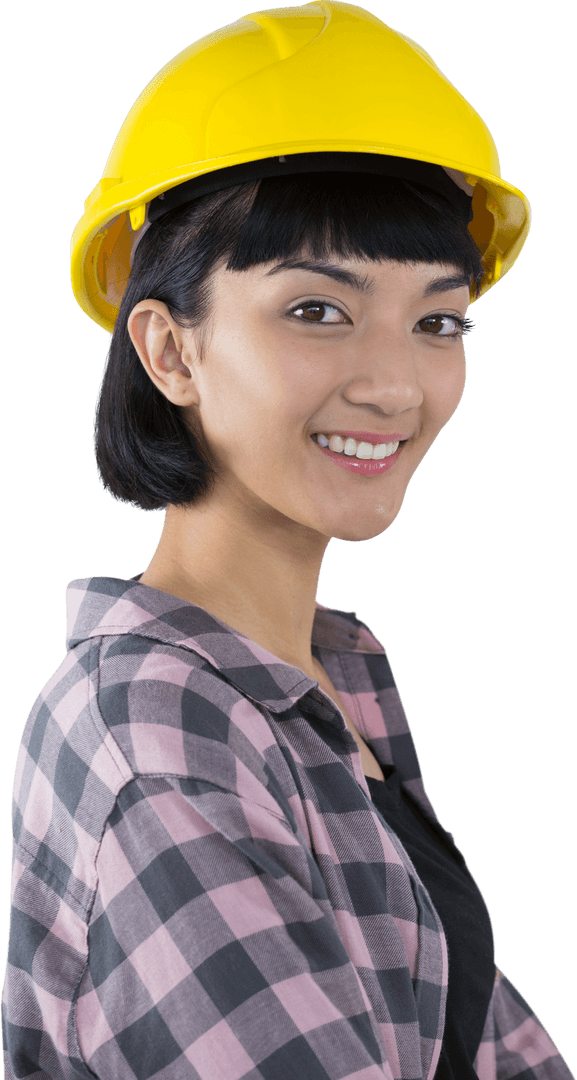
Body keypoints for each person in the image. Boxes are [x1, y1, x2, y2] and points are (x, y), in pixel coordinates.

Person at [1, 2, 573, 1078]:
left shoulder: (322, 690)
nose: (395, 382)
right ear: (170, 351)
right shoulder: (156, 726)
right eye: (316, 310)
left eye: (436, 320)